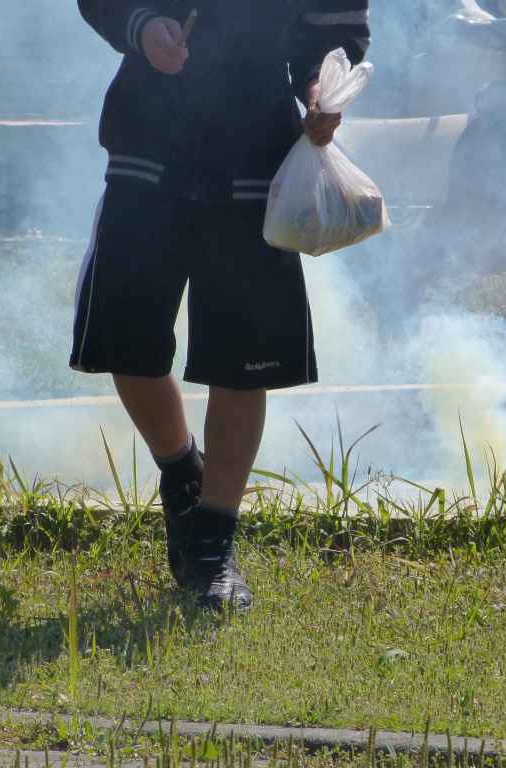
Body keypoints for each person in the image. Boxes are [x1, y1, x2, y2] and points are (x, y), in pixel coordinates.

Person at [74, 0, 370, 611]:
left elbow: (333, 27)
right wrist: (143, 26)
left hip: (254, 155)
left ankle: (213, 540)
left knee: (244, 358)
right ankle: (183, 473)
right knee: (125, 342)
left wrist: (318, 89)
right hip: (147, 144)